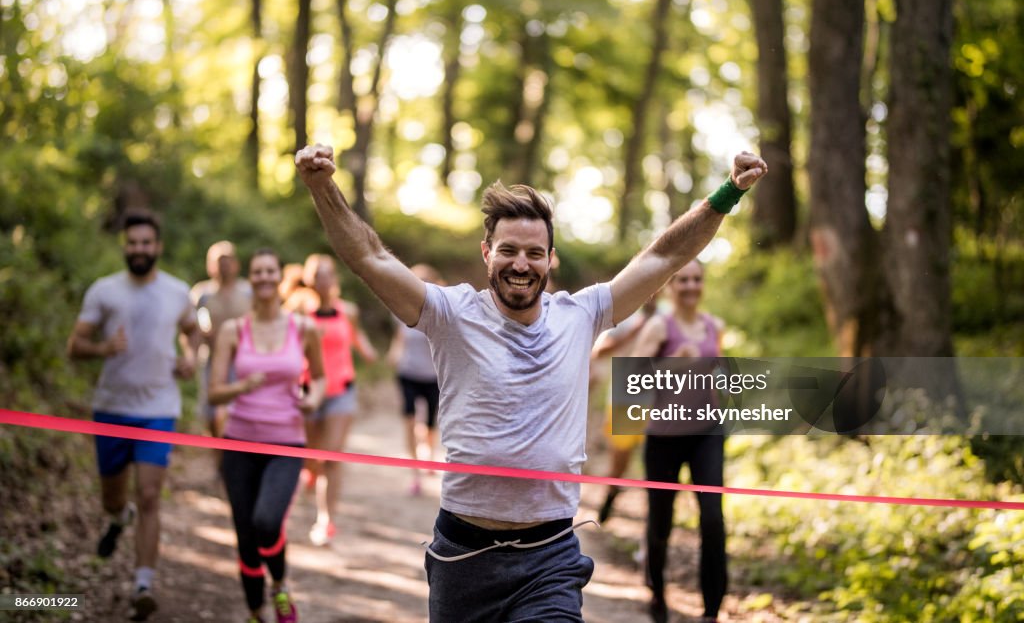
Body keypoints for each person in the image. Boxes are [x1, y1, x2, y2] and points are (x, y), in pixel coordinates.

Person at [294, 142, 765, 622]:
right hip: (464, 556)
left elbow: (662, 258)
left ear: (550, 259)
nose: (522, 264)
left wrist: (727, 193)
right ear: (487, 253)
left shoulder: (581, 315)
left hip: (550, 556)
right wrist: (322, 186)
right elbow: (370, 257)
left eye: (535, 253)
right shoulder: (450, 314)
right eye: (509, 251)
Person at [67, 208, 200, 621]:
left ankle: (143, 583)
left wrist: (192, 356)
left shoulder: (178, 292)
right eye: (133, 243)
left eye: (147, 243)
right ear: (125, 246)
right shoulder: (104, 291)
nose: (140, 249)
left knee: (148, 495)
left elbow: (193, 329)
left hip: (158, 409)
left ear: (157, 247)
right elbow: (75, 346)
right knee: (114, 497)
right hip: (111, 407)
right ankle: (117, 518)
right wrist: (102, 349)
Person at [208, 248, 326, 623]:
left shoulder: (303, 327)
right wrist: (240, 386)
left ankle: (280, 584)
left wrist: (313, 399)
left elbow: (320, 379)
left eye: (269, 271)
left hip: (286, 443)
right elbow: (213, 392)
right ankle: (256, 612)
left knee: (266, 521)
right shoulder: (233, 330)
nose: (262, 277)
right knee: (245, 534)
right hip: (239, 442)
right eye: (256, 272)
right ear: (250, 277)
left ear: (279, 277)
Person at [631, 260, 727, 622]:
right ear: (671, 285)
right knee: (661, 523)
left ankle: (712, 610)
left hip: (707, 434)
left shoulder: (713, 326)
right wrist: (670, 364)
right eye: (683, 279)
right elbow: (632, 379)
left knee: (713, 520)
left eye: (697, 279)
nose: (690, 286)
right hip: (664, 439)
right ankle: (656, 590)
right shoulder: (659, 326)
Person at [293, 253, 378, 546]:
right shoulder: (300, 312)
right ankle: (311, 472)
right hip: (308, 392)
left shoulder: (348, 311)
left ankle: (325, 520)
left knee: (332, 457)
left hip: (342, 391)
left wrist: (368, 351)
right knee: (312, 457)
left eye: (328, 274)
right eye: (317, 275)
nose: (323, 280)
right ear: (309, 280)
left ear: (334, 279)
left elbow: (356, 337)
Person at [591, 294, 658, 524]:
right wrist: (635, 330)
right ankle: (611, 494)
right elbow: (599, 351)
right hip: (625, 400)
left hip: (660, 402)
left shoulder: (669, 315)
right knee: (620, 463)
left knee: (658, 466)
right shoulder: (627, 314)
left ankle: (654, 521)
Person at [386, 263, 445, 496]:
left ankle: (428, 455)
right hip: (408, 373)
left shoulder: (440, 312)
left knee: (429, 425)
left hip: (432, 376)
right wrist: (394, 351)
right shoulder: (400, 309)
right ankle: (415, 471)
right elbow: (400, 336)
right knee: (409, 420)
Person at [191, 240, 252, 437]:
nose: (223, 265)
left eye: (227, 260)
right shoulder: (201, 294)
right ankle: (218, 450)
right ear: (210, 265)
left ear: (236, 264)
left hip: (242, 359)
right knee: (211, 408)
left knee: (242, 405)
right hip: (211, 358)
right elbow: (193, 325)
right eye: (218, 261)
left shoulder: (248, 291)